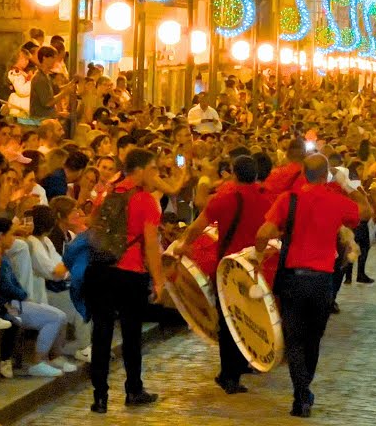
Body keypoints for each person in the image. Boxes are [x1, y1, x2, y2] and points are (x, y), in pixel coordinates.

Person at [254, 153, 370, 418]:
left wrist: (259, 257)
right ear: (326, 174)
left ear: (304, 173)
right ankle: (305, 389)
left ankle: (300, 395)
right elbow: (366, 212)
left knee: (294, 339)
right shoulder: (337, 201)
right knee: (313, 339)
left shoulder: (288, 200)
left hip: (293, 278)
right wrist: (353, 188)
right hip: (322, 280)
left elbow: (263, 233)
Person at [168, 154, 270, 395]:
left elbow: (198, 225)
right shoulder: (267, 198)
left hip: (228, 267)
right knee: (250, 315)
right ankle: (245, 361)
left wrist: (184, 244)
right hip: (256, 266)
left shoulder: (224, 198)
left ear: (233, 174)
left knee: (228, 319)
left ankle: (228, 375)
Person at [85, 148, 167, 414]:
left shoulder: (107, 193)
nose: (157, 175)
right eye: (154, 169)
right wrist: (158, 280)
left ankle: (100, 396)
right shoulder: (144, 200)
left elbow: (92, 226)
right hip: (129, 271)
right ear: (140, 170)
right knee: (132, 334)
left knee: (101, 333)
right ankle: (133, 388)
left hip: (101, 269)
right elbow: (151, 244)